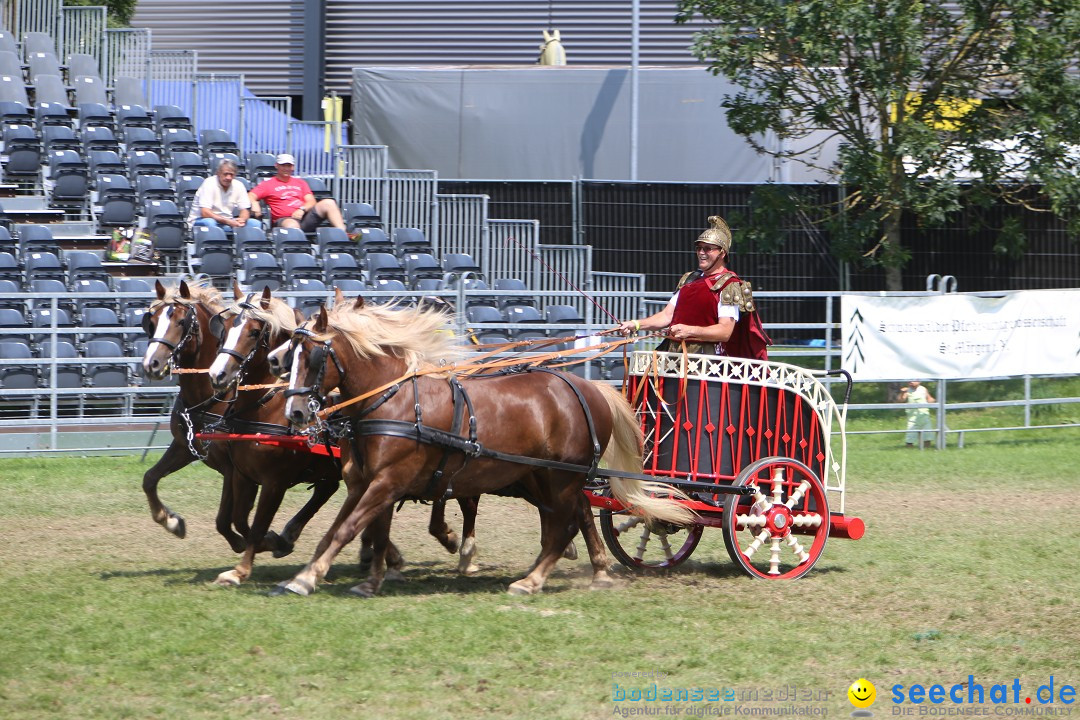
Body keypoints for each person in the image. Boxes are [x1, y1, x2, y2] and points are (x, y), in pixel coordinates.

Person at [616, 215, 770, 359]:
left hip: (707, 364)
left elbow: (724, 332)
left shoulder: (729, 285)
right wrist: (635, 325)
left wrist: (689, 330)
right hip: (673, 356)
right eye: (699, 248)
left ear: (722, 253)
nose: (701, 253)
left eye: (708, 248)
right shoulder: (689, 280)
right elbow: (666, 316)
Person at [247, 153, 354, 236]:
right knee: (292, 225)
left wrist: (302, 209)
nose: (286, 168)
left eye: (289, 166)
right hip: (285, 219)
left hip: (305, 217)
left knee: (329, 202)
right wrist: (255, 203)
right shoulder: (268, 184)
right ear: (276, 166)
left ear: (293, 167)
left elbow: (311, 201)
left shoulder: (300, 183)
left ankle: (343, 234)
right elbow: (250, 195)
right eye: (283, 165)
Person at [187, 160, 262, 232]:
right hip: (202, 220)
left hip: (228, 221)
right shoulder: (209, 183)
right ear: (218, 173)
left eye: (231, 175)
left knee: (255, 223)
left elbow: (245, 210)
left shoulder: (239, 185)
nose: (228, 178)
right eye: (225, 174)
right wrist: (228, 221)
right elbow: (205, 213)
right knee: (210, 222)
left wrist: (242, 220)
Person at [898, 380, 935, 448]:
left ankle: (927, 450)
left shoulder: (923, 389)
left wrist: (933, 402)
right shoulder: (907, 390)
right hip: (912, 418)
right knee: (910, 438)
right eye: (910, 380)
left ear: (919, 381)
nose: (911, 382)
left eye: (914, 380)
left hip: (924, 416)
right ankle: (909, 451)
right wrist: (902, 393)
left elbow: (929, 399)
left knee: (927, 437)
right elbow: (901, 400)